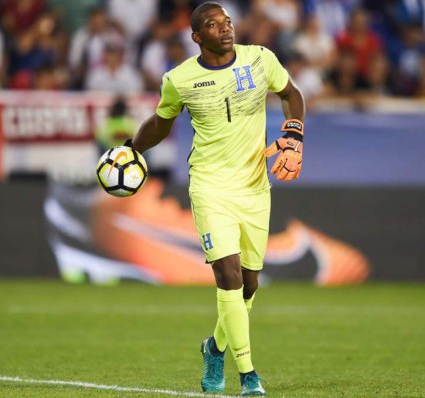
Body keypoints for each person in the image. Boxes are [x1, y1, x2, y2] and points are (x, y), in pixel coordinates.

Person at [127, 2, 305, 396]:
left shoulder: (260, 59)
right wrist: (133, 147)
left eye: (227, 21)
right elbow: (160, 122)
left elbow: (291, 94)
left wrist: (294, 135)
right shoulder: (180, 78)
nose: (225, 28)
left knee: (249, 286)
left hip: (255, 187)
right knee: (228, 275)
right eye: (213, 24)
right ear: (196, 38)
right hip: (209, 186)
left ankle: (214, 347)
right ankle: (248, 376)